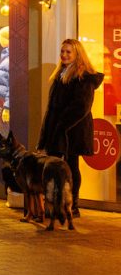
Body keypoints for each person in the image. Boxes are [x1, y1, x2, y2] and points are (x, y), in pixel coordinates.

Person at [39, 38, 104, 218]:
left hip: (72, 131)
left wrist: (61, 127)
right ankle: (56, 204)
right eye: (62, 52)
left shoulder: (83, 77)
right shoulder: (61, 73)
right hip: (59, 129)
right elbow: (53, 107)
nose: (64, 55)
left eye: (69, 52)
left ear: (77, 54)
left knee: (71, 167)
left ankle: (72, 205)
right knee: (56, 167)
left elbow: (81, 107)